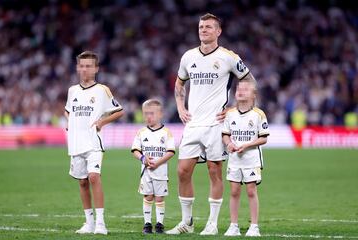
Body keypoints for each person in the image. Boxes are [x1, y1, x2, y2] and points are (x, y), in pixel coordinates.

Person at [166, 13, 257, 235]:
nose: (203, 30)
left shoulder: (228, 57)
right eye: (200, 27)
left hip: (217, 124)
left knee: (214, 171)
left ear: (218, 31)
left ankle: (212, 223)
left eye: (208, 27)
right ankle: (187, 222)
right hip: (193, 123)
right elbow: (179, 85)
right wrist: (180, 108)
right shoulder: (188, 57)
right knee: (182, 171)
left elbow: (249, 80)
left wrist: (235, 107)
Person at [65, 51, 124, 235]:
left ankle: (100, 223)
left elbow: (119, 111)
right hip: (75, 143)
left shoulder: (102, 90)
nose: (84, 69)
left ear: (96, 69)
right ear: (77, 67)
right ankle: (88, 223)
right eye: (81, 66)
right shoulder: (72, 90)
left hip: (93, 142)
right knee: (82, 182)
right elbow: (68, 111)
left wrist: (102, 122)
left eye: (89, 66)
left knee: (93, 177)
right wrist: (70, 121)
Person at [222, 79, 269, 237]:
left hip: (251, 158)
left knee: (250, 191)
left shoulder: (258, 114)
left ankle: (254, 226)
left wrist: (247, 145)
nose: (240, 91)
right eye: (238, 89)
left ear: (253, 94)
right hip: (235, 159)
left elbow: (263, 138)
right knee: (234, 191)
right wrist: (228, 144)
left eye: (245, 89)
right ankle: (233, 225)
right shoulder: (230, 114)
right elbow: (226, 135)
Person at [131, 99, 175, 234]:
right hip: (146, 172)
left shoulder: (166, 132)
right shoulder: (141, 132)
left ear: (160, 114)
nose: (148, 117)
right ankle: (147, 224)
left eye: (151, 113)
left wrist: (158, 162)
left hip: (161, 171)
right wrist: (143, 158)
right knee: (148, 196)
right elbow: (135, 150)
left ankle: (160, 224)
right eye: (145, 114)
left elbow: (171, 151)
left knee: (160, 197)